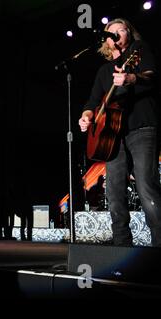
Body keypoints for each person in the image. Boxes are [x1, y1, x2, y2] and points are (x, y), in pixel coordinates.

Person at [79, 18, 161, 247]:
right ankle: (121, 246)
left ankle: (158, 248)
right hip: (112, 137)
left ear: (129, 33)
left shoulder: (140, 51)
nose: (115, 34)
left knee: (146, 187)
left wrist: (132, 78)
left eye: (120, 30)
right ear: (106, 41)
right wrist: (86, 117)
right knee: (114, 193)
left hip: (142, 126)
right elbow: (92, 102)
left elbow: (153, 78)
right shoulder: (103, 71)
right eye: (110, 32)